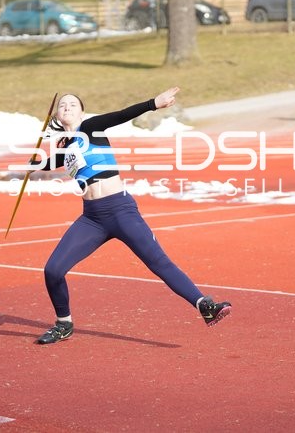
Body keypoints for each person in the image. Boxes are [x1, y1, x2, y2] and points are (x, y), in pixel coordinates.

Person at [31, 87, 232, 344]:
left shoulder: (91, 127)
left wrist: (153, 104)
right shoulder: (67, 145)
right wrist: (36, 163)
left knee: (158, 262)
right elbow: (52, 162)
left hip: (120, 210)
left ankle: (205, 305)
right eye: (62, 105)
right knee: (53, 270)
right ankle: (64, 324)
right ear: (58, 116)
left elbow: (121, 115)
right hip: (92, 218)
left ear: (81, 111)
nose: (67, 107)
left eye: (72, 104)